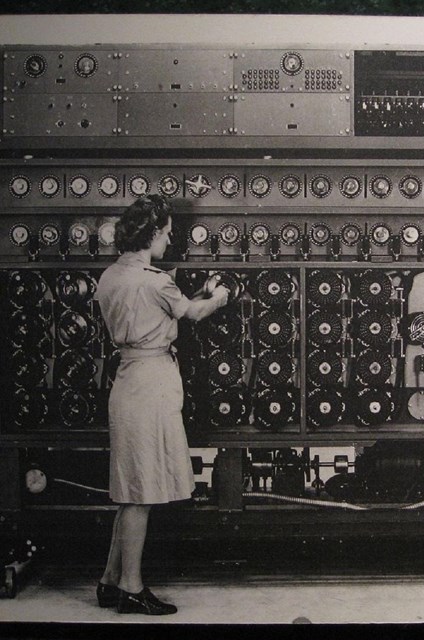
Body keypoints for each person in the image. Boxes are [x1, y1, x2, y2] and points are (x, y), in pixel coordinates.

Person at [93, 194, 229, 615]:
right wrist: (219, 296)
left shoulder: (111, 276)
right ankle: (132, 588)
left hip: (127, 381)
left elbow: (154, 307)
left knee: (130, 490)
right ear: (152, 233)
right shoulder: (155, 281)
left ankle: (109, 581)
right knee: (141, 493)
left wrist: (190, 294)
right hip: (151, 384)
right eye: (167, 233)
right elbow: (192, 314)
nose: (169, 241)